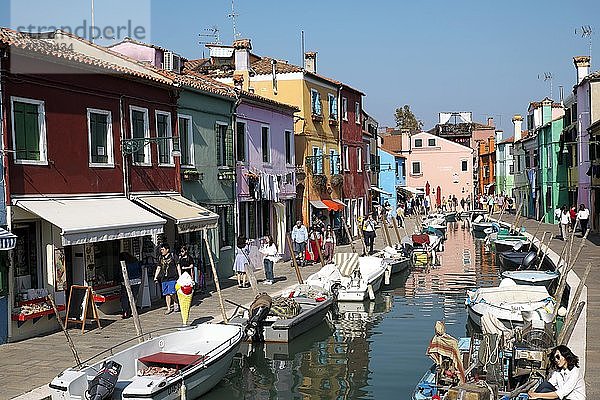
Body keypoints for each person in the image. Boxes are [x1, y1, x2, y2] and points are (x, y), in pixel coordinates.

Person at [154, 243, 181, 315]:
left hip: (172, 277)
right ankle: (168, 308)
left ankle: (175, 302)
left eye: (163, 249)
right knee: (166, 294)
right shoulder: (160, 258)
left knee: (172, 292)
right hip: (164, 278)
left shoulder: (173, 256)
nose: (161, 251)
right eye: (161, 249)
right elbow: (159, 267)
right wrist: (155, 277)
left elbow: (178, 266)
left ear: (167, 250)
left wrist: (180, 276)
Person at [118, 252, 141, 319]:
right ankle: (132, 310)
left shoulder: (124, 264)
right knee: (133, 296)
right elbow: (140, 270)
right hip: (137, 280)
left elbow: (121, 273)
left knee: (125, 297)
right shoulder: (136, 261)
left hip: (126, 281)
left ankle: (125, 311)